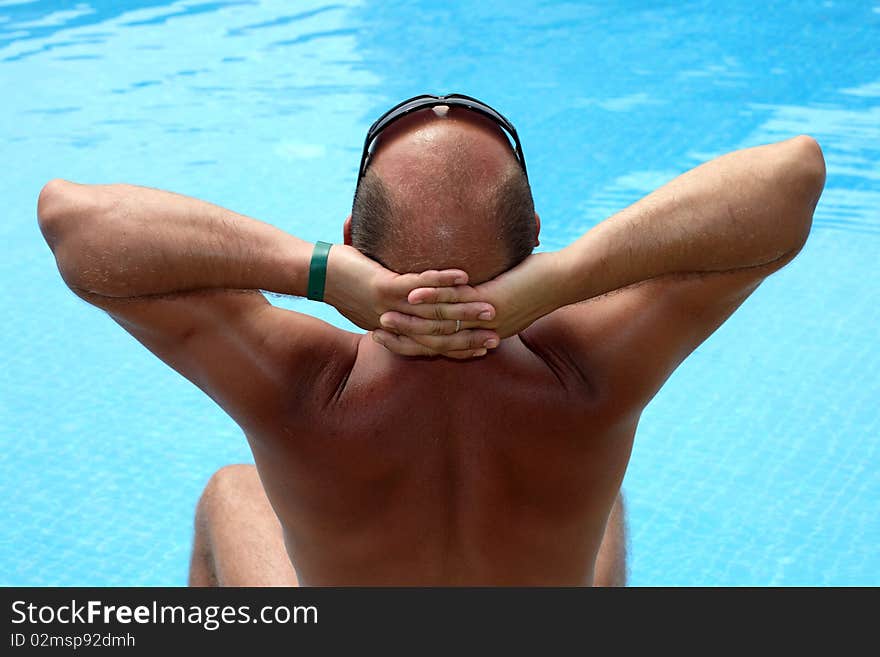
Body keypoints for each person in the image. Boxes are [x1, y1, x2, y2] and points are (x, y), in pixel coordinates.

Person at [37, 94, 825, 586]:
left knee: (229, 495)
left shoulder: (299, 388)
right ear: (536, 240)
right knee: (603, 500)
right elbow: (792, 176)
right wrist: (567, 278)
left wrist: (316, 272)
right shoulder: (592, 374)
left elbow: (74, 222)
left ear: (353, 238)